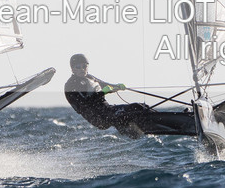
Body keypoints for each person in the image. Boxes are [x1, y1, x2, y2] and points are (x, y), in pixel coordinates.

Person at [62, 54, 193, 137]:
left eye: (84, 66)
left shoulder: (89, 77)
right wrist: (103, 92)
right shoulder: (71, 85)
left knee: (139, 107)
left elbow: (105, 85)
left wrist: (116, 86)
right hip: (99, 117)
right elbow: (85, 104)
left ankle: (172, 121)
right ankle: (163, 126)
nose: (82, 69)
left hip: (107, 110)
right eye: (78, 67)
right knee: (136, 109)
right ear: (72, 68)